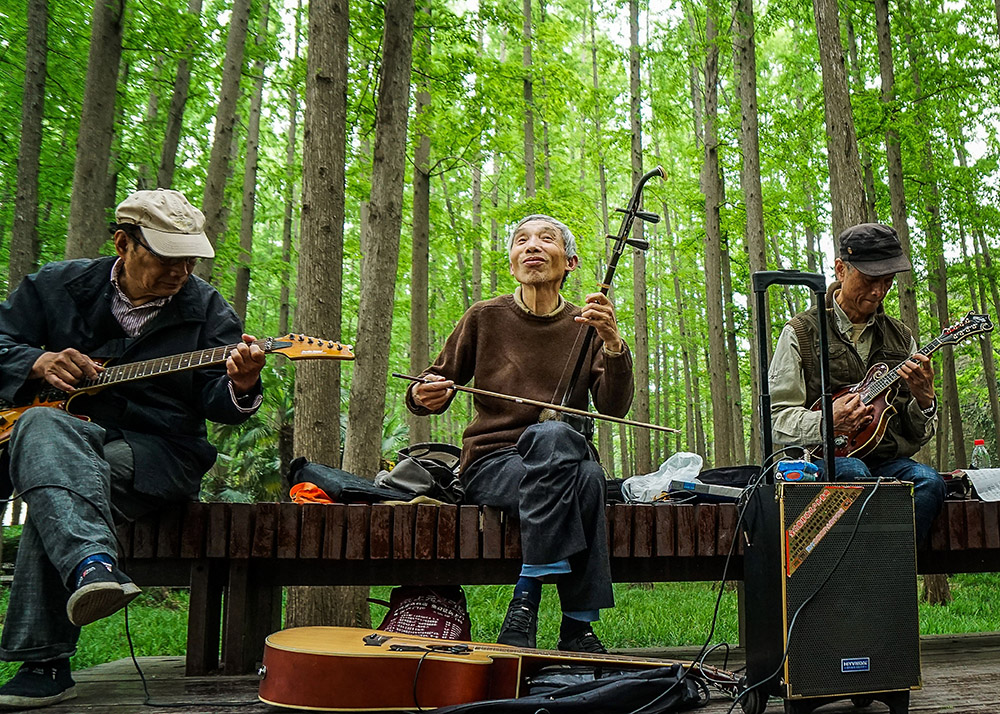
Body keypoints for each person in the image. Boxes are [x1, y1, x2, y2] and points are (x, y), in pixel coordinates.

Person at [0, 188, 266, 709]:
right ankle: (92, 569)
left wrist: (242, 384)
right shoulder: (56, 286)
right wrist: (35, 363)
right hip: (54, 437)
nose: (181, 271)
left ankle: (45, 660)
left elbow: (220, 402)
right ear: (123, 243)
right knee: (44, 432)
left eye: (190, 259)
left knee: (58, 484)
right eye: (167, 258)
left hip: (157, 455)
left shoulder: (209, 310)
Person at [406, 214, 634, 654]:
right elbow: (428, 387)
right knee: (566, 456)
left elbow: (613, 407)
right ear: (512, 264)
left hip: (563, 461)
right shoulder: (484, 316)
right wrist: (424, 394)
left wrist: (612, 342)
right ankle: (572, 624)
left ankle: (542, 607)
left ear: (569, 262)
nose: (531, 247)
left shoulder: (586, 326)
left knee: (576, 462)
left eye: (545, 239)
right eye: (521, 241)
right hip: (494, 464)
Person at [769, 222, 946, 544]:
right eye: (869, 280)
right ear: (840, 269)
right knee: (852, 474)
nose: (878, 292)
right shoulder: (801, 332)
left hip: (887, 459)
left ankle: (890, 575)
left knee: (928, 481)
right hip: (820, 460)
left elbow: (915, 433)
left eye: (888, 282)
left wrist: (924, 401)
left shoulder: (901, 336)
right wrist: (827, 421)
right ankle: (854, 579)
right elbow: (775, 420)